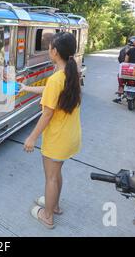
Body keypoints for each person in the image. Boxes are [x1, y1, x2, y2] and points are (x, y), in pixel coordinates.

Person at [19, 32, 82, 229]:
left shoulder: (57, 78)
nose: (48, 50)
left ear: (54, 52)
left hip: (57, 138)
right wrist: (26, 88)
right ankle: (54, 206)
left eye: (49, 47)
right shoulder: (71, 73)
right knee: (57, 173)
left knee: (51, 177)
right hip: (70, 136)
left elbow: (47, 114)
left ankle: (47, 216)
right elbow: (51, 91)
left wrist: (31, 137)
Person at [113, 38, 135, 103]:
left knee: (120, 81)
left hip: (125, 71)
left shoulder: (123, 50)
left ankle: (119, 97)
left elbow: (120, 60)